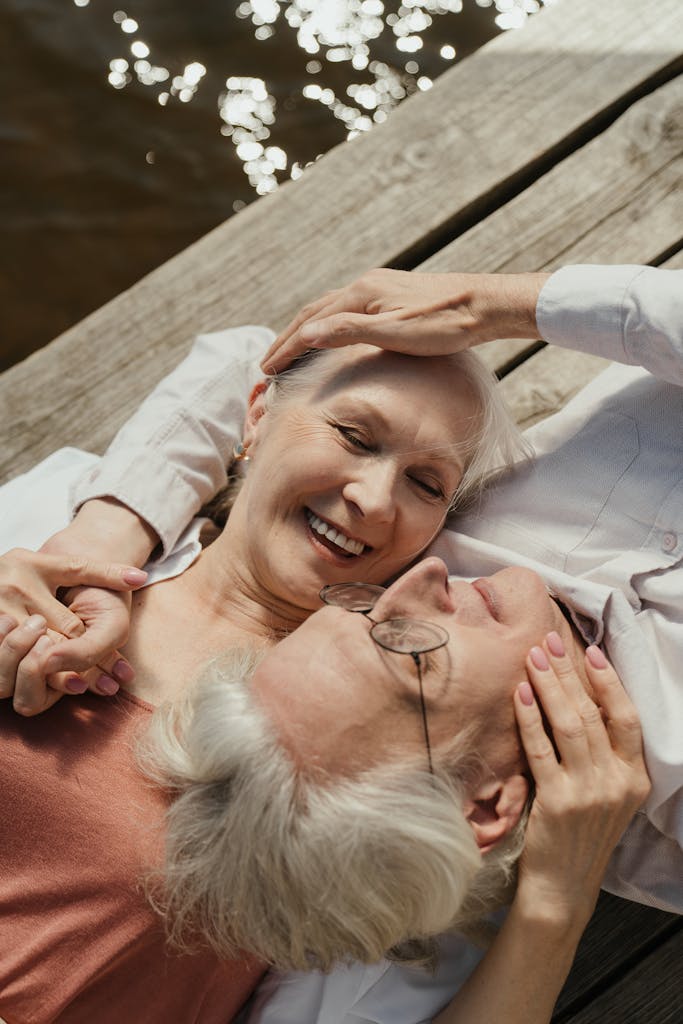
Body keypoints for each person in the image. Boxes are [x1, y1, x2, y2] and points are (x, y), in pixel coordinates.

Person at [0, 264, 677, 1022]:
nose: (372, 497)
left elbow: (245, 364)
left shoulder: (376, 758)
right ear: (253, 421)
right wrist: (96, 541)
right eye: (354, 438)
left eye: (428, 486)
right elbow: (247, 362)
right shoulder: (59, 530)